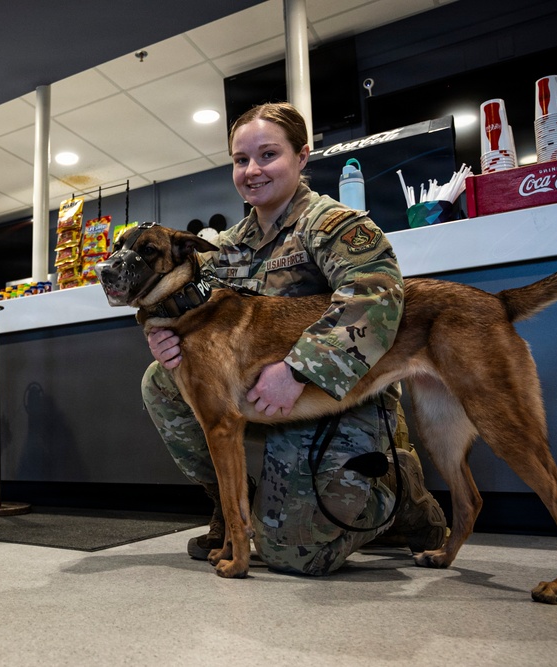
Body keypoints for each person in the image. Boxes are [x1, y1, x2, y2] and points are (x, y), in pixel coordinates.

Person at [141, 102, 447, 576]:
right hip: (267, 403)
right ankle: (234, 507)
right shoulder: (226, 247)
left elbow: (378, 298)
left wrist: (300, 368)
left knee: (294, 555)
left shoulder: (334, 225)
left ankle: (397, 491)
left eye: (268, 155)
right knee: (161, 381)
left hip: (342, 397)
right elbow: (177, 299)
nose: (252, 170)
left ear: (303, 156)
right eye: (241, 160)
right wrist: (164, 337)